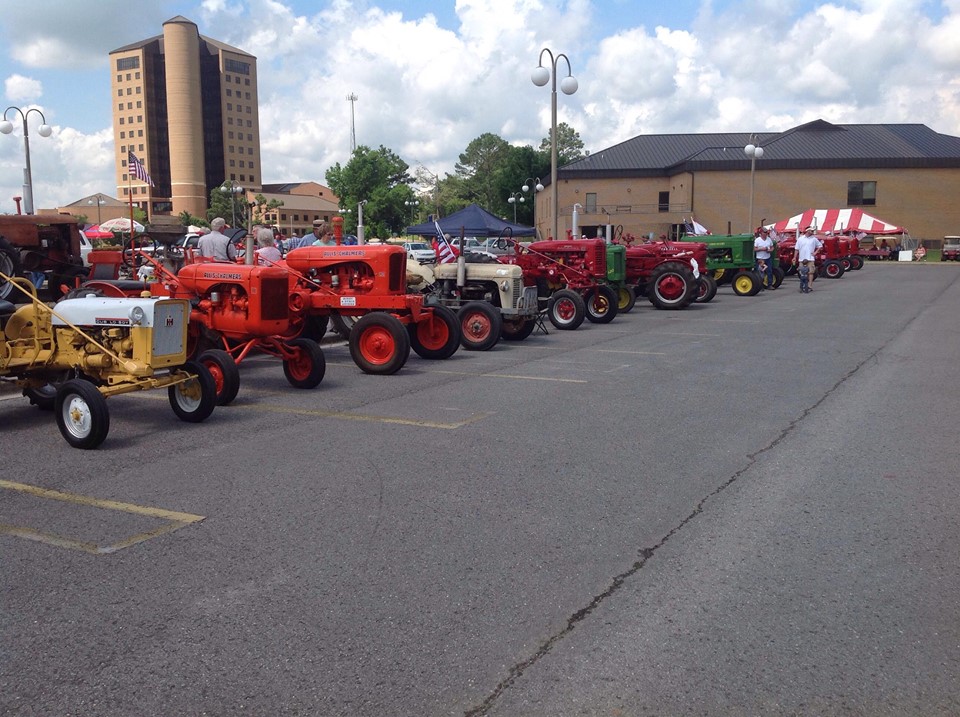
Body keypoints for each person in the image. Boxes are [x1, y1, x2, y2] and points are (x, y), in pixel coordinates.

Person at [793, 226, 821, 293]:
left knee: (811, 272)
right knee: (802, 273)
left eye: (812, 231)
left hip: (810, 258)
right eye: (811, 231)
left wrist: (815, 253)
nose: (812, 232)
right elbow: (796, 249)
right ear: (807, 231)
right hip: (802, 258)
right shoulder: (800, 239)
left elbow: (820, 246)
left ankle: (810, 286)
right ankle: (802, 285)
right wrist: (794, 257)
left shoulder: (814, 239)